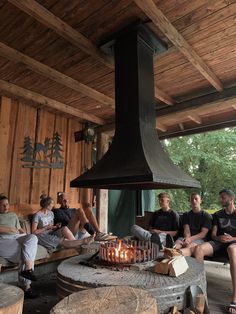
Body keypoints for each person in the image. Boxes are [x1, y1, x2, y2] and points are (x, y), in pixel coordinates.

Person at [194, 189, 236, 314]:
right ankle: (201, 290)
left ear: (231, 199)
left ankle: (235, 297)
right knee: (199, 249)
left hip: (234, 244)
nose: (220, 200)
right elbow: (213, 234)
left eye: (222, 198)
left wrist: (232, 238)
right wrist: (219, 238)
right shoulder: (217, 214)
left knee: (231, 249)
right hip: (219, 243)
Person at [0, 194, 38, 298]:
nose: (6, 207)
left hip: (17, 236)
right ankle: (26, 287)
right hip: (3, 240)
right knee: (25, 252)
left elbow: (20, 229)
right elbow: (11, 229)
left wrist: (25, 235)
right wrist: (9, 230)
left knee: (33, 238)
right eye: (2, 205)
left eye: (7, 204)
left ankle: (28, 270)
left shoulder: (13, 215)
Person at [175, 192, 212, 256]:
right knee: (176, 244)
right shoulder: (186, 214)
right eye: (192, 199)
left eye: (196, 199)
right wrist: (187, 238)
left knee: (189, 246)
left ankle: (182, 260)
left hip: (200, 239)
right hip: (186, 237)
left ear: (200, 201)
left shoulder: (207, 216)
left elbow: (203, 234)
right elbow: (186, 229)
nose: (194, 201)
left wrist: (190, 239)